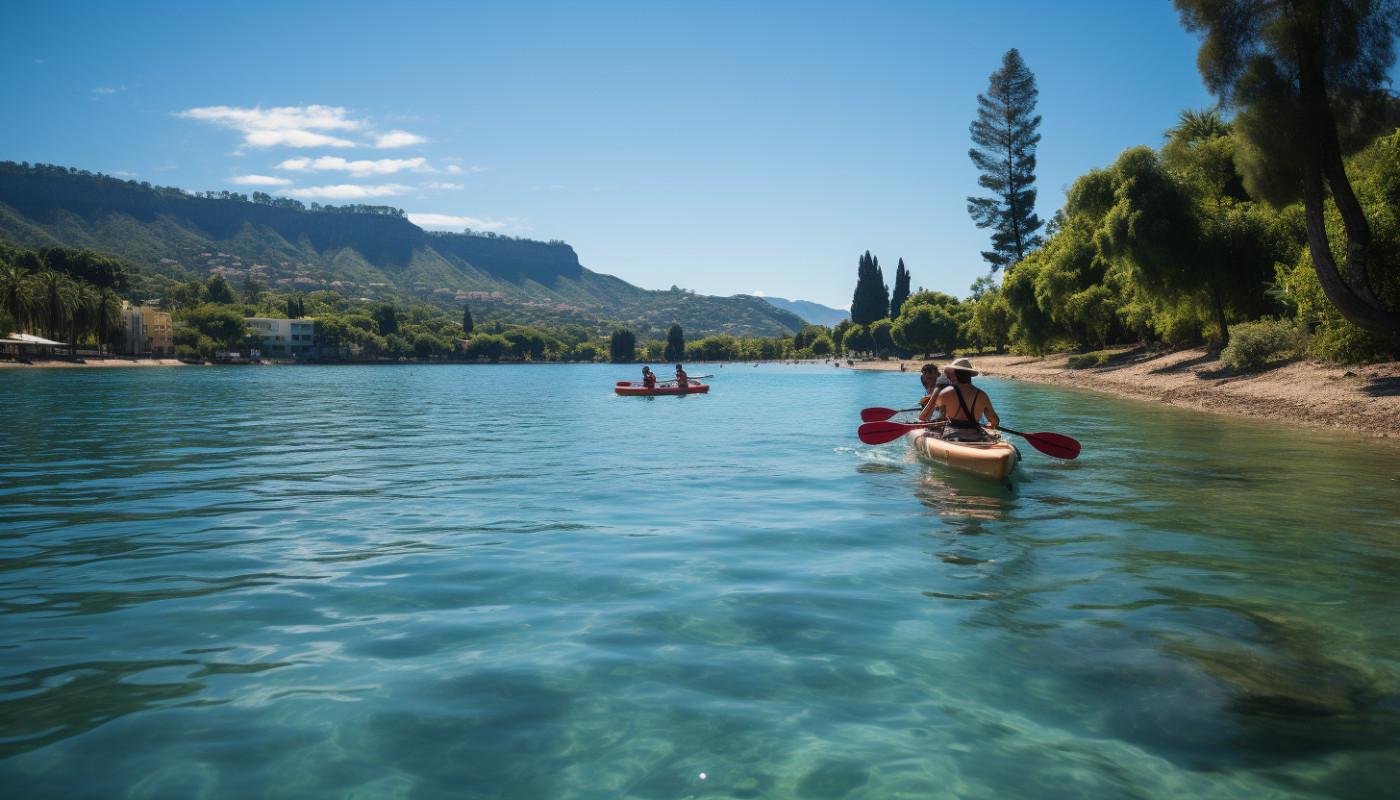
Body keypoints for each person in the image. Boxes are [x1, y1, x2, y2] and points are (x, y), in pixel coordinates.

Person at [918, 358, 999, 441]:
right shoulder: (982, 395)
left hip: (953, 435)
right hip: (977, 435)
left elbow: (923, 417)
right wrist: (989, 425)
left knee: (926, 434)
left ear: (954, 374)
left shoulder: (946, 393)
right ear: (970, 375)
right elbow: (995, 421)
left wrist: (937, 390)